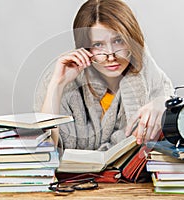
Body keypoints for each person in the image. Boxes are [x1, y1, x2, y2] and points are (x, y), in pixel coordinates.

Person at [35, 0, 173, 150]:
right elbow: (47, 147)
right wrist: (57, 84)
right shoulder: (63, 74)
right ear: (85, 48)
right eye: (98, 45)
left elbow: (171, 126)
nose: (111, 56)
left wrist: (164, 105)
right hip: (71, 173)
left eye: (118, 41)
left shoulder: (148, 74)